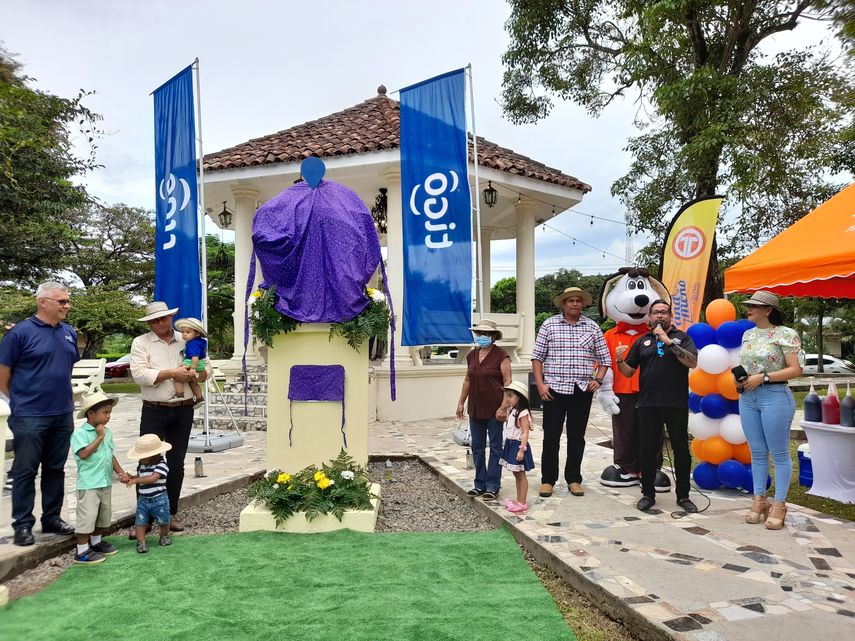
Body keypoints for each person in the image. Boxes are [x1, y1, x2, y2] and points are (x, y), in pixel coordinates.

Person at [0, 281, 79, 546]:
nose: (67, 306)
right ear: (42, 302)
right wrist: (19, 400)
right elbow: (3, 374)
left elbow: (65, 368)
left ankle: (52, 518)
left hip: (62, 413)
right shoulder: (20, 333)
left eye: (68, 301)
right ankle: (23, 524)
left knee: (55, 468)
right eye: (62, 301)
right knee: (25, 470)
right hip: (29, 415)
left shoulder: (68, 332)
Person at [130, 301, 208, 532]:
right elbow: (139, 375)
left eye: (163, 318)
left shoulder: (188, 337)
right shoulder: (141, 342)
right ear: (149, 323)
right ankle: (143, 519)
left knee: (176, 462)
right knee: (146, 461)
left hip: (183, 408)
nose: (160, 323)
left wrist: (195, 374)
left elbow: (206, 370)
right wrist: (173, 373)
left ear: (171, 317)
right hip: (154, 409)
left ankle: (170, 513)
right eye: (154, 320)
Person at [616, 299, 698, 513]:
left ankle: (683, 496)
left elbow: (692, 362)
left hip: (676, 403)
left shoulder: (682, 338)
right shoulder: (642, 340)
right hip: (648, 403)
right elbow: (628, 372)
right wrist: (619, 360)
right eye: (655, 312)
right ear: (650, 317)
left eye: (664, 312)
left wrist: (668, 342)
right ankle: (648, 494)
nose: (659, 316)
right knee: (648, 449)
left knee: (681, 449)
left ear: (670, 316)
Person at [532, 287, 610, 498]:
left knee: (577, 436)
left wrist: (598, 379)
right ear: (563, 304)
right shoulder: (549, 325)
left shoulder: (592, 327)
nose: (574, 304)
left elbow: (605, 359)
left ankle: (574, 479)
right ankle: (548, 480)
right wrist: (540, 385)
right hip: (554, 389)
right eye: (570, 300)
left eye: (578, 300)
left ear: (582, 304)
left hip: (581, 390)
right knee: (551, 435)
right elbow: (537, 358)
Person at [736, 291, 803, 530]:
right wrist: (742, 380)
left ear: (768, 310)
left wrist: (763, 377)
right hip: (747, 397)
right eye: (749, 305)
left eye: (755, 306)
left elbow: (796, 369)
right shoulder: (748, 334)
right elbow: (747, 365)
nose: (749, 308)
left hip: (775, 396)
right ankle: (759, 500)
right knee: (757, 452)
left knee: (780, 453)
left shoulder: (786, 334)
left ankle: (779, 504)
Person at [70, 392, 129, 564]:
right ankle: (82, 550)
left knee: (103, 517)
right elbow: (83, 454)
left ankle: (96, 542)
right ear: (91, 414)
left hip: (105, 482)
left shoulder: (108, 432)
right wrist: (99, 437)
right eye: (105, 412)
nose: (108, 416)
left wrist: (120, 471)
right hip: (89, 485)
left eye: (110, 412)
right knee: (87, 518)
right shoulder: (80, 434)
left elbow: (110, 455)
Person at [456, 319, 512, 501]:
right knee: (477, 447)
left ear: (494, 337)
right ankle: (479, 483)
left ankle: (493, 485)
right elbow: (468, 379)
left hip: (495, 409)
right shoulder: (472, 355)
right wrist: (461, 402)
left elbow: (507, 381)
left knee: (495, 447)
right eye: (479, 333)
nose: (482, 337)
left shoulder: (501, 356)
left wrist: (504, 406)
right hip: (475, 407)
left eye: (486, 334)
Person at [125, 433, 173, 553]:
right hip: (143, 500)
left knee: (164, 520)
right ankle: (141, 542)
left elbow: (152, 478)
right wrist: (132, 477)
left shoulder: (162, 465)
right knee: (140, 522)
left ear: (154, 455)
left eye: (143, 457)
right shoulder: (143, 465)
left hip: (159, 499)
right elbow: (142, 476)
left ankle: (164, 536)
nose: (141, 459)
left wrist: (136, 481)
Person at [498, 381, 534, 513]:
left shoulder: (523, 413)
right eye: (507, 395)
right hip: (511, 444)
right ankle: (519, 499)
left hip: (518, 446)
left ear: (520, 397)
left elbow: (525, 433)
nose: (508, 399)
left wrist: (521, 450)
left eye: (510, 396)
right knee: (516, 473)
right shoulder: (514, 410)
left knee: (520, 474)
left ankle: (522, 502)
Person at [172, 317, 208, 405]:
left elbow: (195, 357)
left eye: (188, 332)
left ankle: (179, 394)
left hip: (191, 363)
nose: (184, 334)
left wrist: (193, 368)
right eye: (183, 332)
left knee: (178, 376)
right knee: (193, 382)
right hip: (201, 363)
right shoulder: (201, 341)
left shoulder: (192, 343)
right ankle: (199, 398)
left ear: (197, 333)